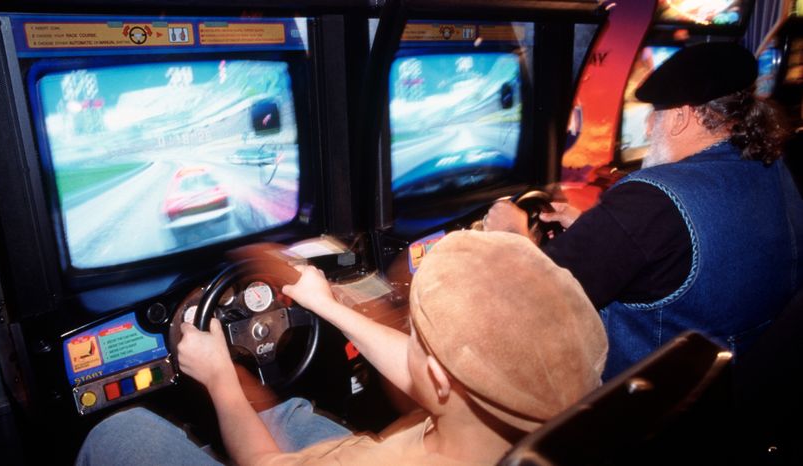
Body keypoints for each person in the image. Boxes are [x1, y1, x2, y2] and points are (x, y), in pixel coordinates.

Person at [75, 230, 608, 465]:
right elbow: (431, 371)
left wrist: (219, 377)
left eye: (415, 332)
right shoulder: (534, 406)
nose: (406, 334)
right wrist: (330, 306)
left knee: (121, 431)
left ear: (441, 378)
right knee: (288, 411)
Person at [485, 41, 803, 380]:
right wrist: (599, 232)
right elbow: (698, 245)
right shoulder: (773, 169)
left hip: (636, 414)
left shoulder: (651, 202)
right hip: (728, 396)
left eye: (656, 115)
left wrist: (511, 236)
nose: (649, 128)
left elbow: (531, 297)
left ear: (682, 117)